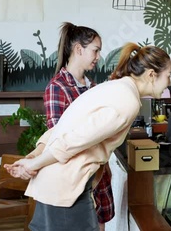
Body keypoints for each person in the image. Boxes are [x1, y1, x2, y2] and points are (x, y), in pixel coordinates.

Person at [5, 43, 171, 231]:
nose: (169, 82)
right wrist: (33, 163)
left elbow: (64, 127)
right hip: (66, 185)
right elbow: (74, 140)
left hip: (56, 182)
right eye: (167, 76)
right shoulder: (128, 101)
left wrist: (35, 157)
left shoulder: (115, 87)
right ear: (151, 74)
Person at [39, 22, 114, 230]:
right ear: (79, 49)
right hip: (76, 180)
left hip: (99, 175)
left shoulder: (95, 88)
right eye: (95, 50)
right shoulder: (57, 87)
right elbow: (59, 139)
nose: (98, 56)